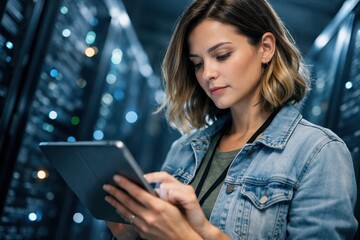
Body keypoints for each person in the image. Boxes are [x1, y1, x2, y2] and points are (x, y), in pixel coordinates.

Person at [102, 0, 358, 239]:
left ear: (266, 48)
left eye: (222, 55)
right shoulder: (183, 151)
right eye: (197, 63)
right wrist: (131, 232)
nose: (208, 74)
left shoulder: (318, 153)